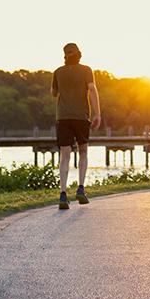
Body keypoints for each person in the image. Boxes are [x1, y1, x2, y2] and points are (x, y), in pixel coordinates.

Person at [51, 43, 102, 209]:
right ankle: (80, 188)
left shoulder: (58, 72)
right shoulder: (86, 70)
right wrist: (97, 113)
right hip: (81, 116)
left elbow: (53, 93)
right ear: (79, 54)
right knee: (83, 151)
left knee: (64, 155)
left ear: (65, 55)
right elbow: (92, 89)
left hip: (63, 117)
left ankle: (63, 194)